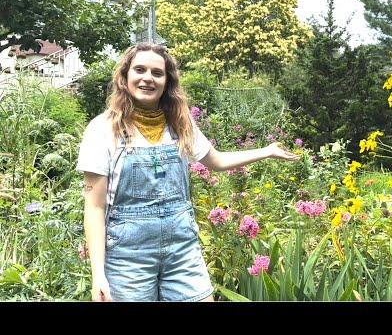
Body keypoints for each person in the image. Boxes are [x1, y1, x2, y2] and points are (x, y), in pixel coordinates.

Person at [76, 43, 299, 302]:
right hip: (128, 258)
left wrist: (267, 151)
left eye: (157, 73)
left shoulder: (180, 123)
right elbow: (94, 207)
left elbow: (216, 160)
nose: (148, 78)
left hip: (181, 251)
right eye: (139, 69)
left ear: (166, 81)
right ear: (125, 77)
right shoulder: (102, 129)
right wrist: (98, 275)